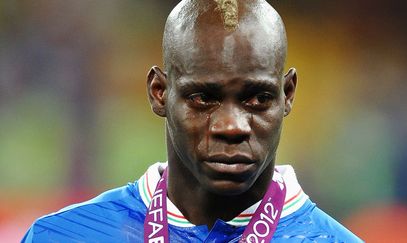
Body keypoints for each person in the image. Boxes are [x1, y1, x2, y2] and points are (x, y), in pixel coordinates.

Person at [23, 0, 362, 242]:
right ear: (159, 93)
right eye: (203, 98)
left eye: (258, 98)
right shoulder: (61, 236)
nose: (232, 126)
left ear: (287, 94)